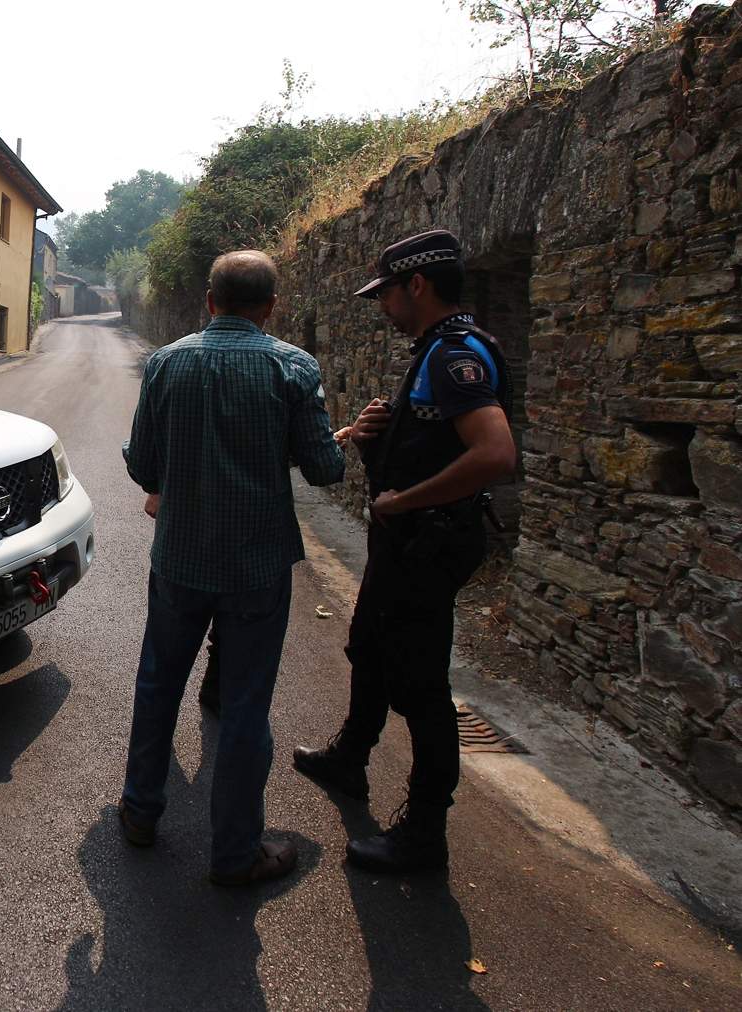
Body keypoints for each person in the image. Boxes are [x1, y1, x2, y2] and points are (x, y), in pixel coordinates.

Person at [293, 229, 518, 873]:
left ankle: (423, 836)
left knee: (421, 688)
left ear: (415, 285)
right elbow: (433, 441)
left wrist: (404, 500)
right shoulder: (432, 352)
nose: (382, 305)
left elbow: (495, 454)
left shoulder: (455, 356)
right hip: (407, 542)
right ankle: (350, 758)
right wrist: (374, 437)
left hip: (427, 542)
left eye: (386, 293)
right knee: (367, 645)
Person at [120, 250, 344, 886]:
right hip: (256, 566)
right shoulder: (292, 367)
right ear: (271, 307)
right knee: (246, 706)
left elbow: (143, 467)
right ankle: (236, 852)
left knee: (159, 682)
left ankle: (140, 812)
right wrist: (338, 441)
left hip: (180, 561)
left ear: (209, 302)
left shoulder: (165, 364)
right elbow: (325, 468)